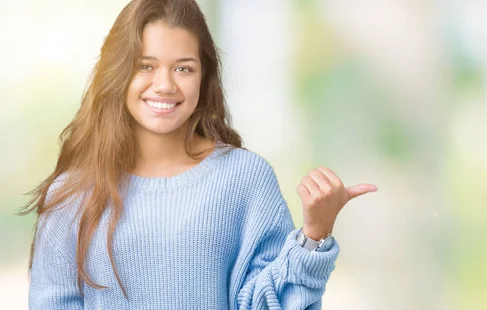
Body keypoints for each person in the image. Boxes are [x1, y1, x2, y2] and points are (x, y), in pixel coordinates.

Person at [22, 0, 377, 309]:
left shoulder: (245, 178)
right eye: (145, 65)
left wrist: (314, 235)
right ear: (117, 73)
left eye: (183, 68)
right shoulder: (72, 195)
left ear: (204, 78)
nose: (164, 84)